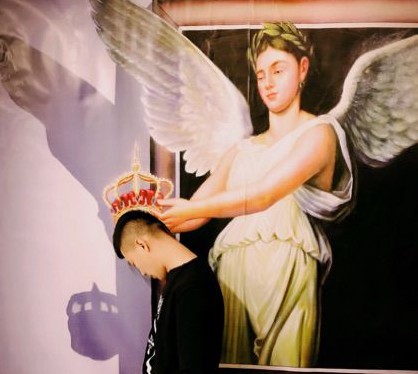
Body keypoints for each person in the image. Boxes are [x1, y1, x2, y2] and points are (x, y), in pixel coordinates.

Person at [158, 23, 354, 367]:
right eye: (261, 74)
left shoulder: (319, 133)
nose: (267, 83)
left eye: (278, 70)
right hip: (233, 273)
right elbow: (194, 214)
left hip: (289, 272)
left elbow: (264, 195)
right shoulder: (242, 149)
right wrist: (150, 217)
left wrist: (189, 208)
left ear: (302, 69)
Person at [112, 209, 224, 374]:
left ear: (142, 245)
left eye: (134, 263)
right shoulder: (178, 280)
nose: (142, 272)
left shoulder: (193, 287)